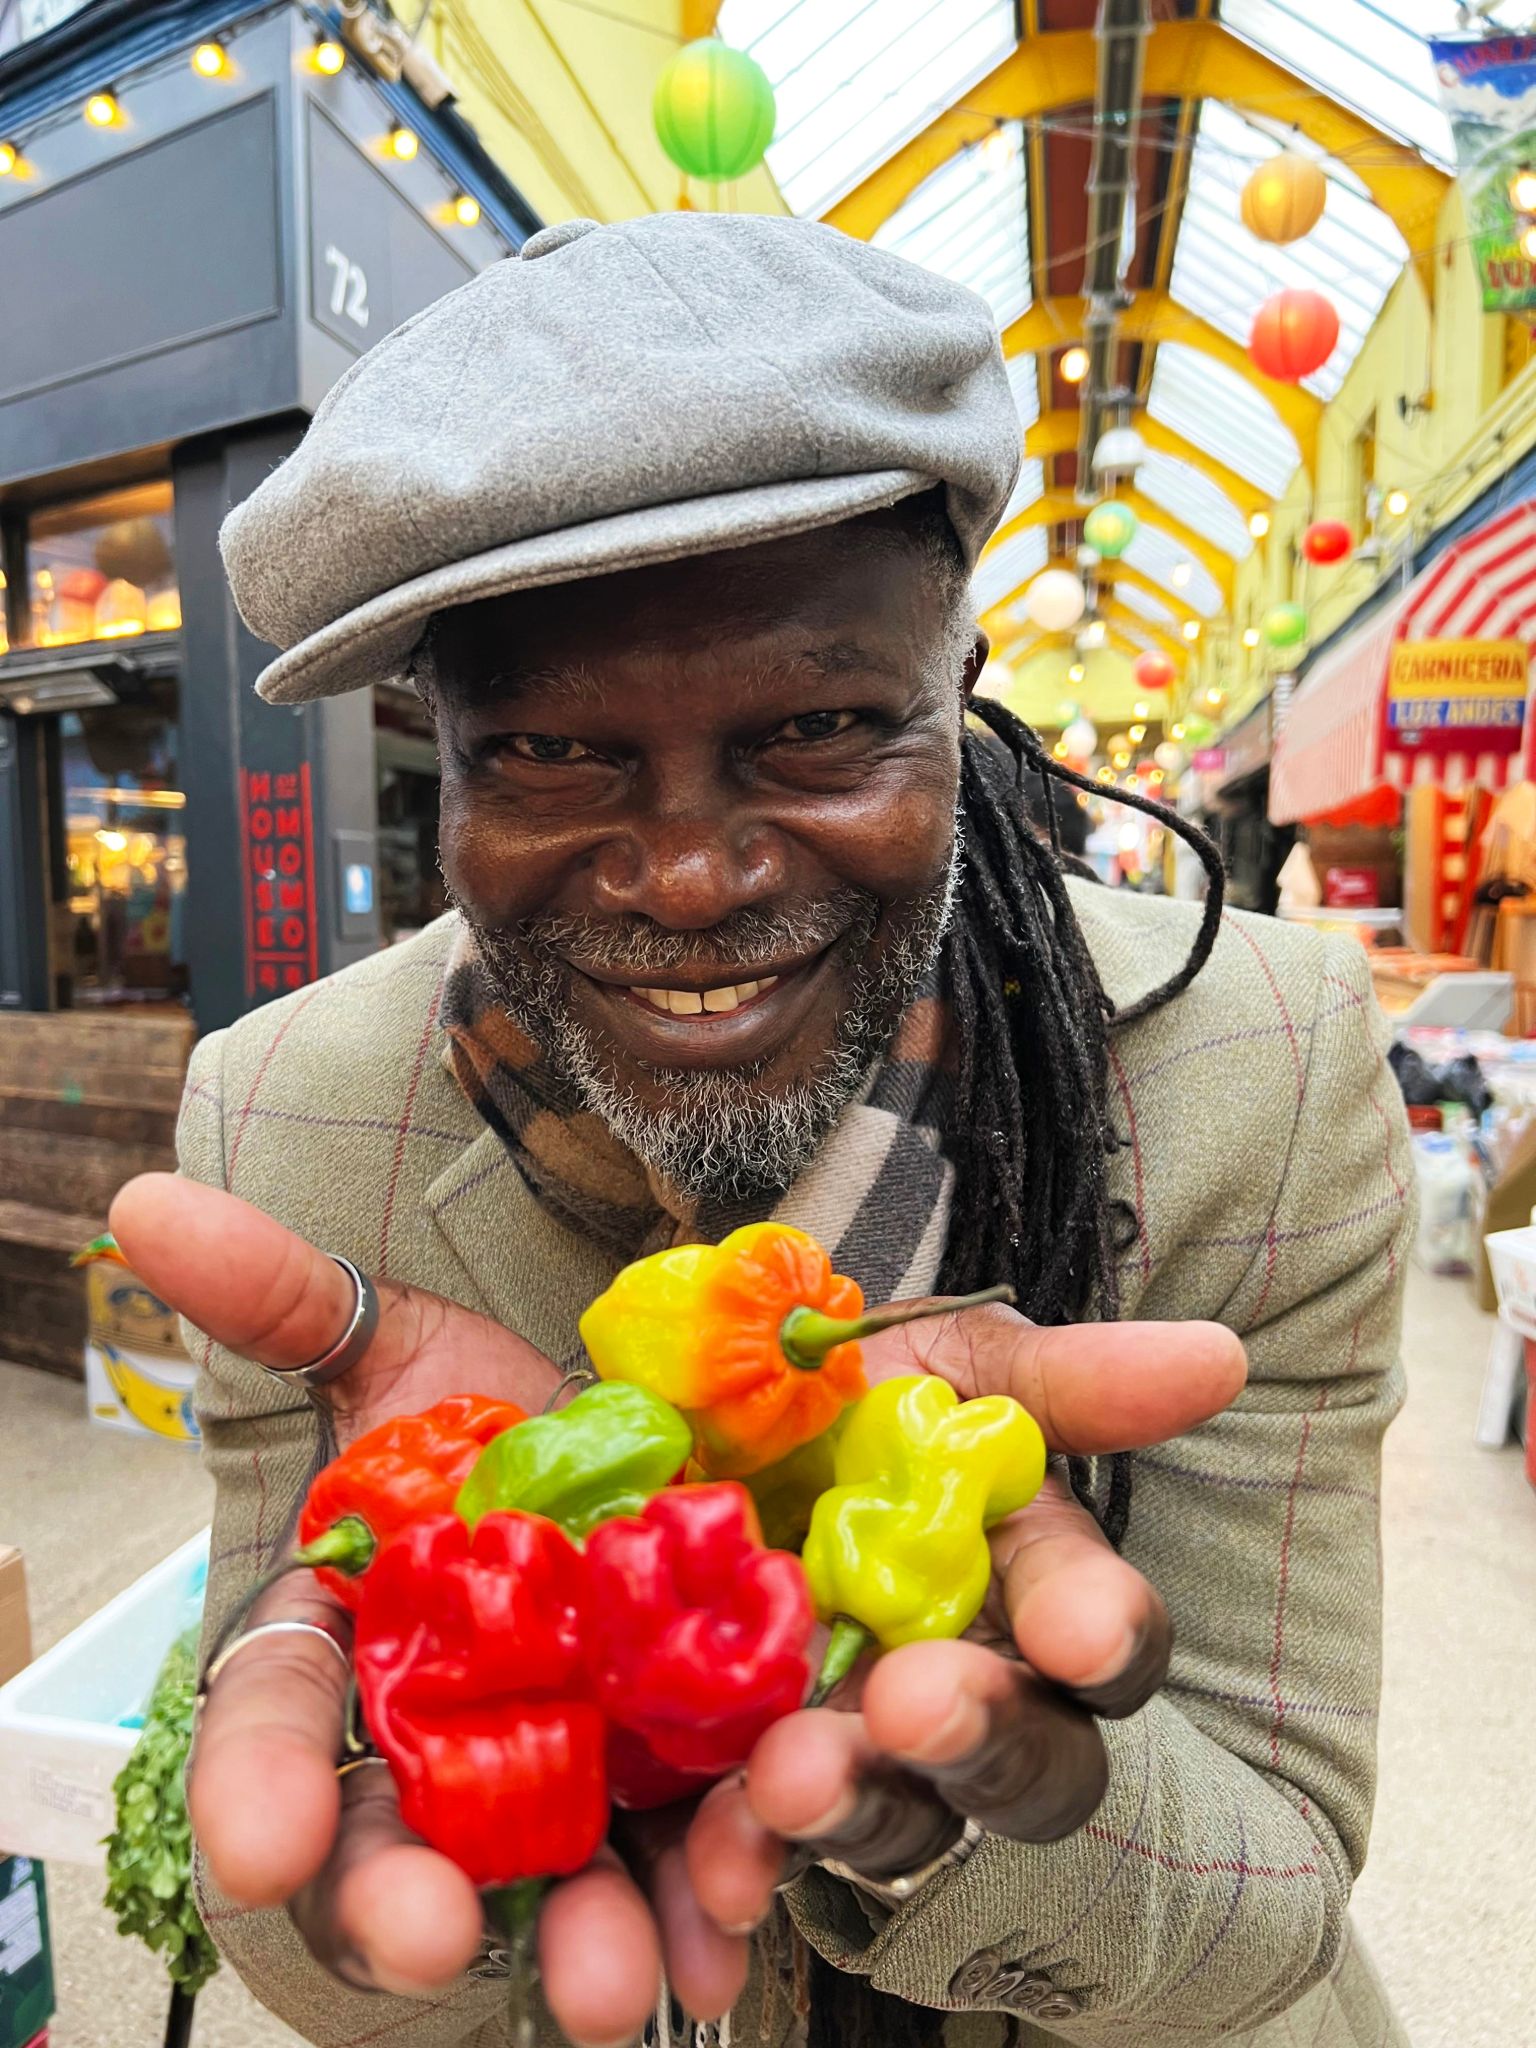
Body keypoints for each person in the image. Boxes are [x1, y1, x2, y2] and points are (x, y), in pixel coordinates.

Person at [112, 214, 1411, 2048]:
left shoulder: (1250, 1064)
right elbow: (314, 1893)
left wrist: (916, 1835)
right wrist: (463, 1801)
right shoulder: (291, 1117)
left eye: (817, 728)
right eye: (554, 756)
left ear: (957, 699)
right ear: (442, 756)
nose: (694, 879)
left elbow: (1273, 1894)